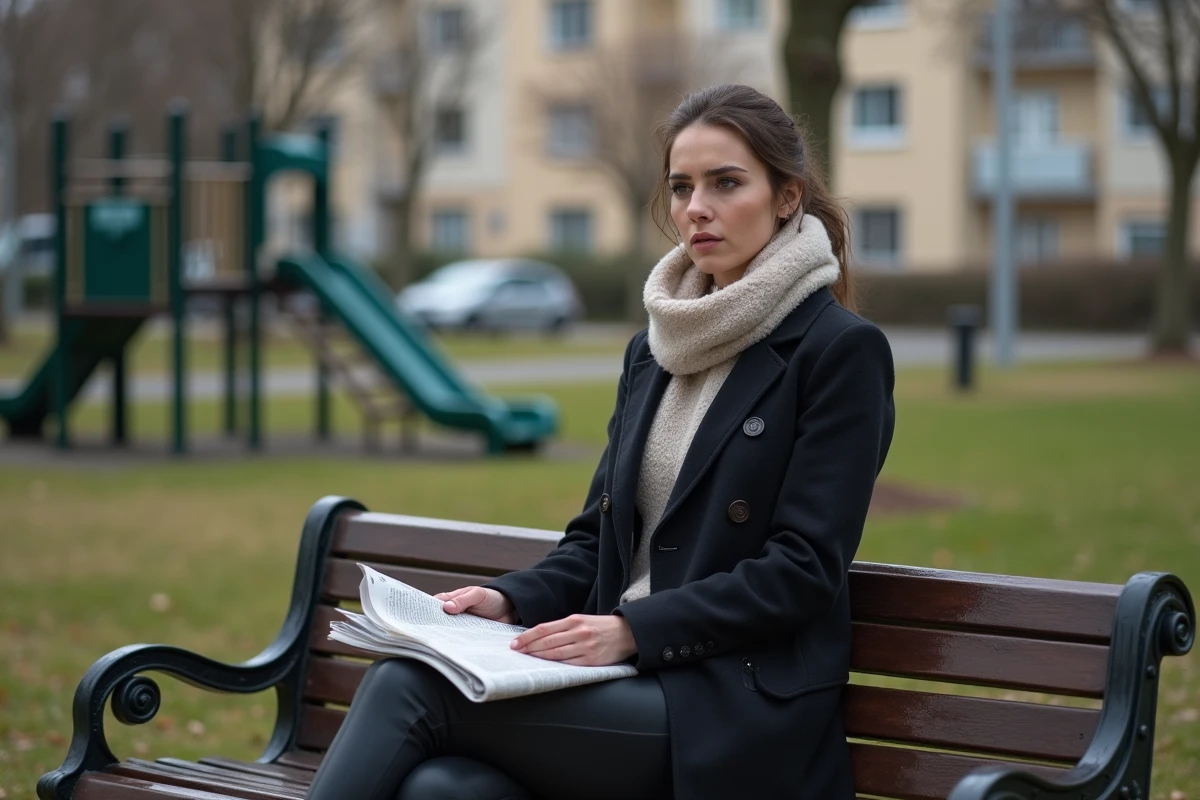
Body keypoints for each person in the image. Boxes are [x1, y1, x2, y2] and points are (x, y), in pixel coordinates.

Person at [304, 83, 896, 800]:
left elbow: (802, 570)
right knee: (444, 790)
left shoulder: (837, 351)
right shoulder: (653, 351)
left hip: (732, 707)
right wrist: (510, 601)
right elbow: (595, 541)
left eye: (726, 183)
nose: (695, 208)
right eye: (681, 187)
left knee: (409, 685)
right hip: (624, 680)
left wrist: (635, 629)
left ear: (787, 197)